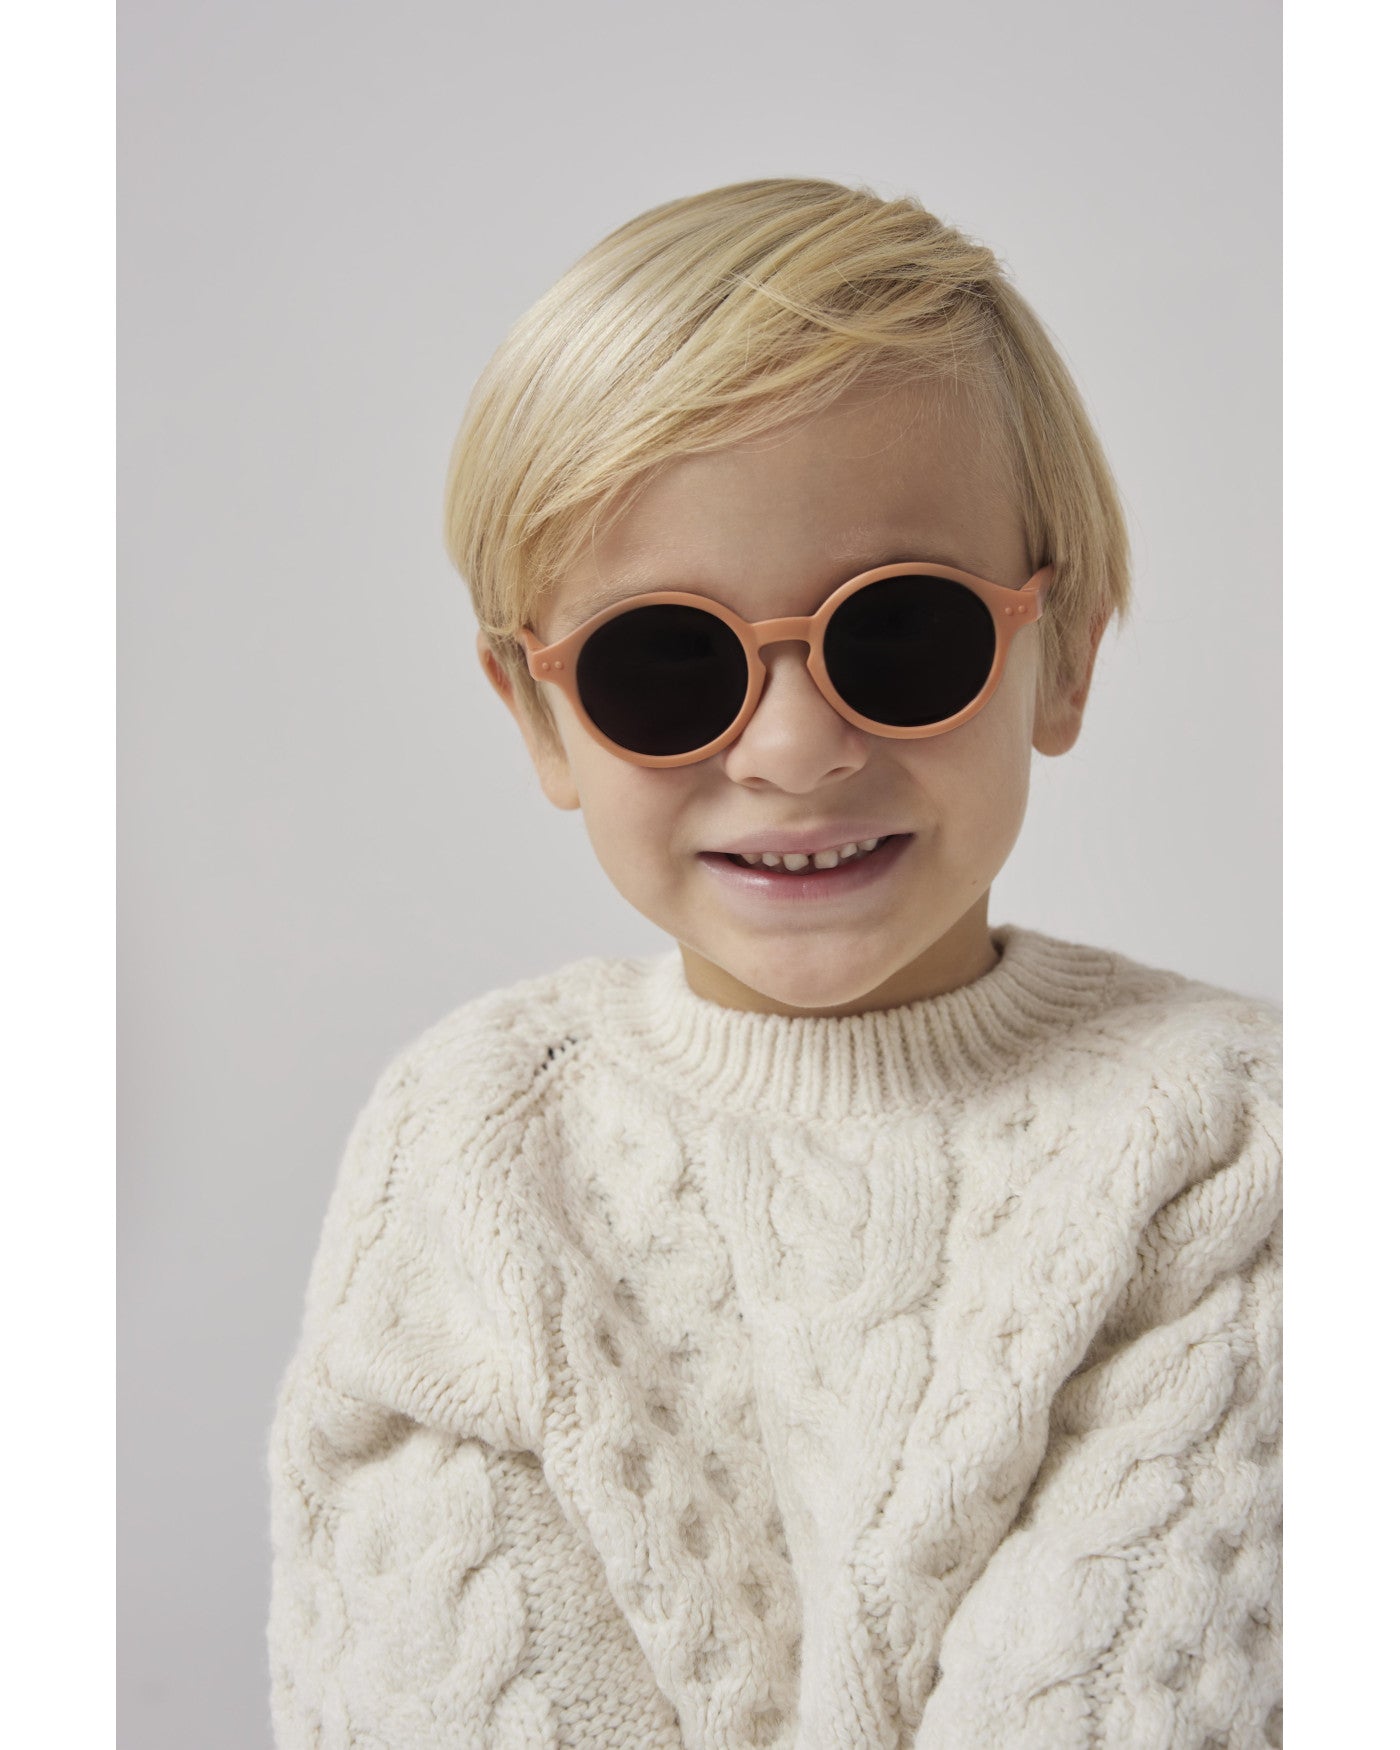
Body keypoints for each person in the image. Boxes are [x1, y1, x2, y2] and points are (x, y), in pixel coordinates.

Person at [265, 179, 1281, 1748]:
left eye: (904, 633)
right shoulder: (471, 1148)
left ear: (1062, 652)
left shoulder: (1241, 1145)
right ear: (539, 715)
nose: (797, 751)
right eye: (665, 662)